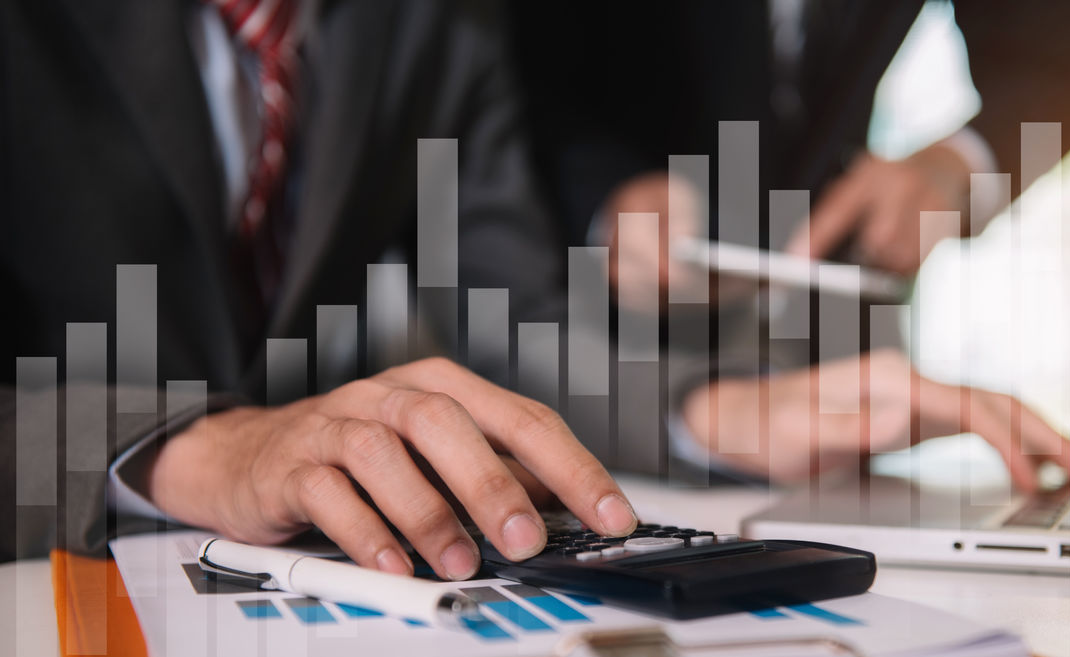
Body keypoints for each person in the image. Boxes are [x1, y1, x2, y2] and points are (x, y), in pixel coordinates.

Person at [0, 0, 640, 572]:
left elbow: (519, 325)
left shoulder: (441, 17)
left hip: (290, 562)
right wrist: (200, 453)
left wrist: (702, 410)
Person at [507, 0, 1070, 486]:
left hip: (823, 371)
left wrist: (958, 164)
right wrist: (600, 198)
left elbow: (1048, 66)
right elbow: (504, 73)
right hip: (578, 352)